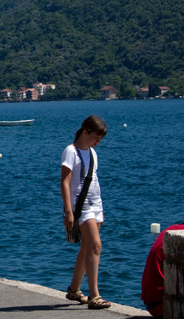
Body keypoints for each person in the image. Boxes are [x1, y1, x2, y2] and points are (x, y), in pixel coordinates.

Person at [60, 115, 111, 309]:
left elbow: (94, 180)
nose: (97, 142)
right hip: (81, 206)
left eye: (100, 139)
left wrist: (101, 209)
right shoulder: (70, 152)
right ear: (85, 132)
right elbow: (65, 182)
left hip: (95, 204)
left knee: (86, 247)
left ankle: (74, 290)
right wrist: (68, 211)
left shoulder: (92, 152)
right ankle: (95, 295)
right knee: (95, 246)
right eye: (95, 137)